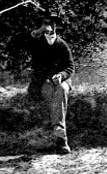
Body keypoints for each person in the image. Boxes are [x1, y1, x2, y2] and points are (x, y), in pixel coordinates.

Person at [27, 13, 75, 154]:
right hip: (44, 81)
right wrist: (48, 78)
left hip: (62, 80)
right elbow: (29, 40)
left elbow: (70, 67)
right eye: (46, 28)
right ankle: (62, 138)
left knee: (61, 90)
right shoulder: (37, 44)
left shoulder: (62, 45)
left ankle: (60, 133)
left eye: (52, 27)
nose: (50, 31)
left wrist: (61, 75)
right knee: (50, 93)